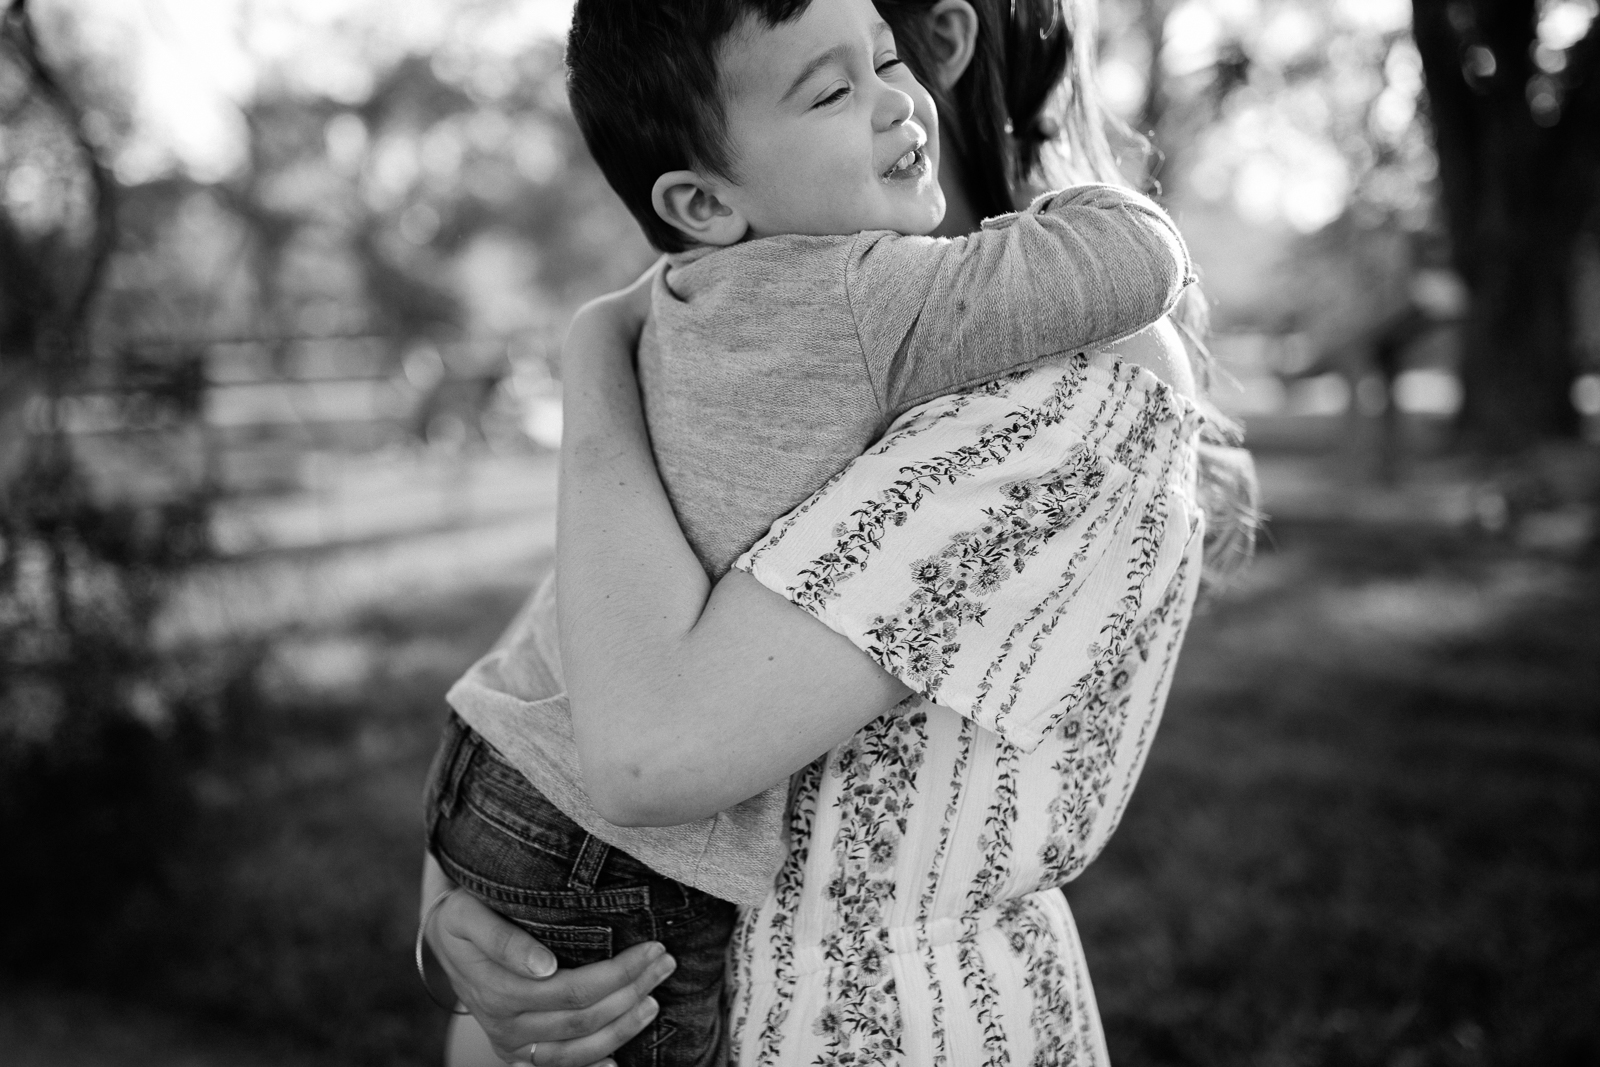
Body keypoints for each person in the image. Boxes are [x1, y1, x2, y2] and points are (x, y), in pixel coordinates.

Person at [422, 1, 1257, 1064]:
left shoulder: (1083, 379)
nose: (885, 97)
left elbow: (641, 750)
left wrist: (599, 343)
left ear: (942, 37)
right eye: (829, 86)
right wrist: (455, 927)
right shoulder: (746, 329)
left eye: (884, 60)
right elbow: (554, 662)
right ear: (700, 195)